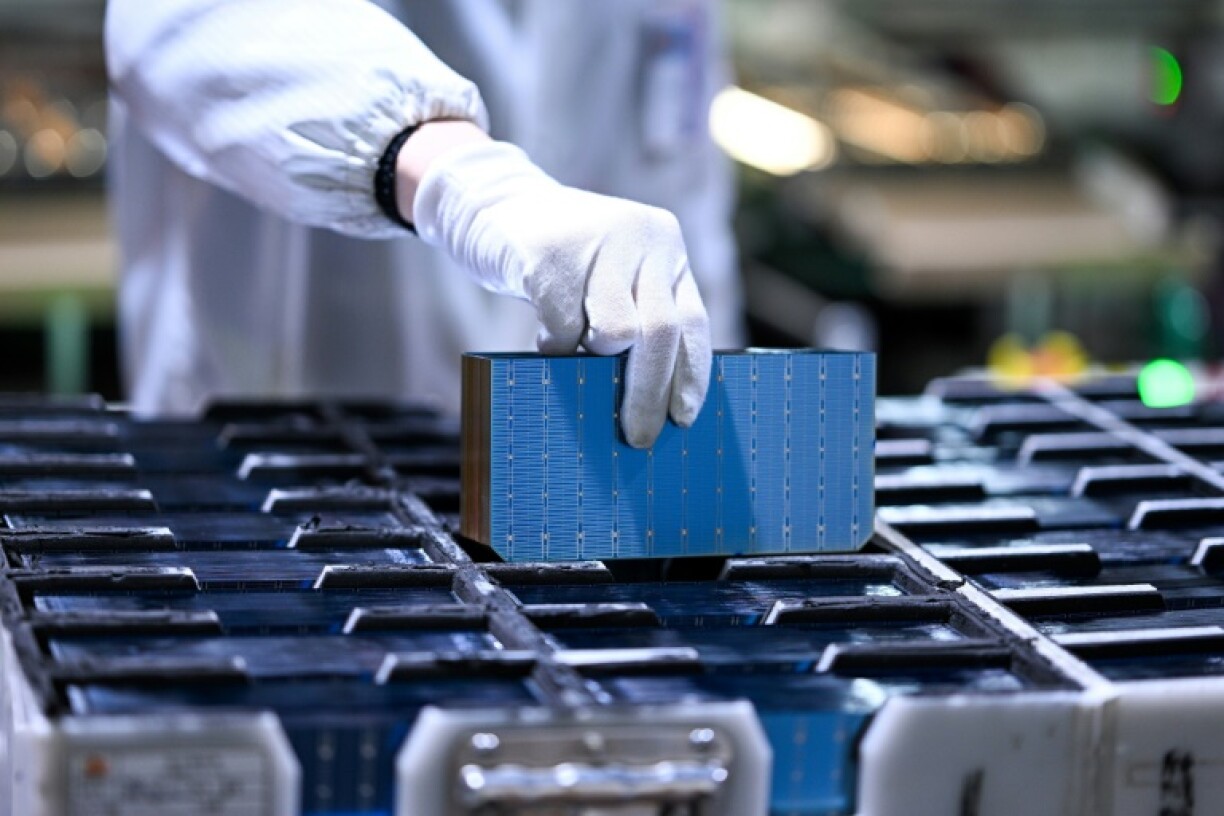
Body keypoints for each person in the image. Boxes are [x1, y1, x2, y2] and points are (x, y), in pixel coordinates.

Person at [105, 0, 744, 448]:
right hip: (272, 448)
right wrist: (461, 177)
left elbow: (683, 189)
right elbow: (192, 23)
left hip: (564, 497)